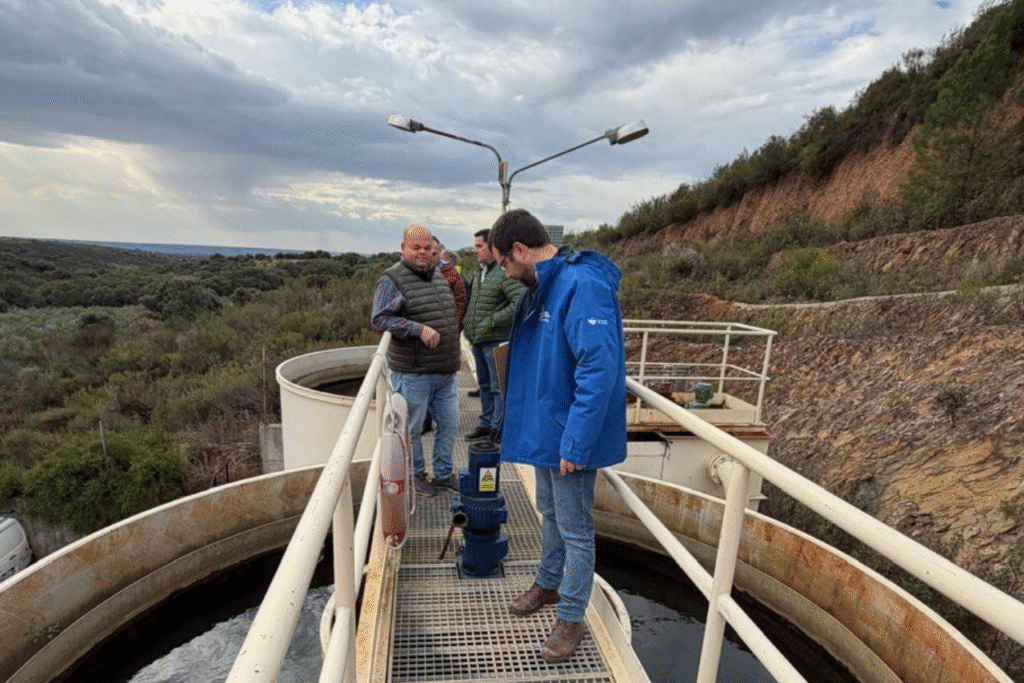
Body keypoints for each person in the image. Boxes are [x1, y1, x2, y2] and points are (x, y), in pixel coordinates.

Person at [488, 209, 627, 663]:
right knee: (549, 510)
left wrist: (577, 442)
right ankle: (548, 583)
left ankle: (571, 617)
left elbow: (598, 368)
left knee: (575, 527)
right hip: (549, 425)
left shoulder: (581, 285)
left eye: (506, 264)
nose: (506, 273)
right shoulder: (549, 282)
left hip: (568, 434)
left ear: (521, 251)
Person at [370, 225, 461, 496]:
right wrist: (418, 329)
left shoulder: (437, 274)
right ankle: (415, 474)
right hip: (414, 371)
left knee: (450, 423)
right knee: (412, 428)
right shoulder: (392, 279)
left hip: (445, 370)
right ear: (403, 248)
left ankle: (443, 474)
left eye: (427, 248)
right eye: (416, 248)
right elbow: (380, 319)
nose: (422, 253)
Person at [462, 228, 523, 442]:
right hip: (478, 340)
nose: (475, 250)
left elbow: (518, 302)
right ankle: (486, 423)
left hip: (495, 341)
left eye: (479, 246)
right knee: (485, 386)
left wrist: (491, 321)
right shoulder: (479, 273)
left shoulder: (502, 273)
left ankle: (497, 428)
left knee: (497, 387)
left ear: (492, 248)